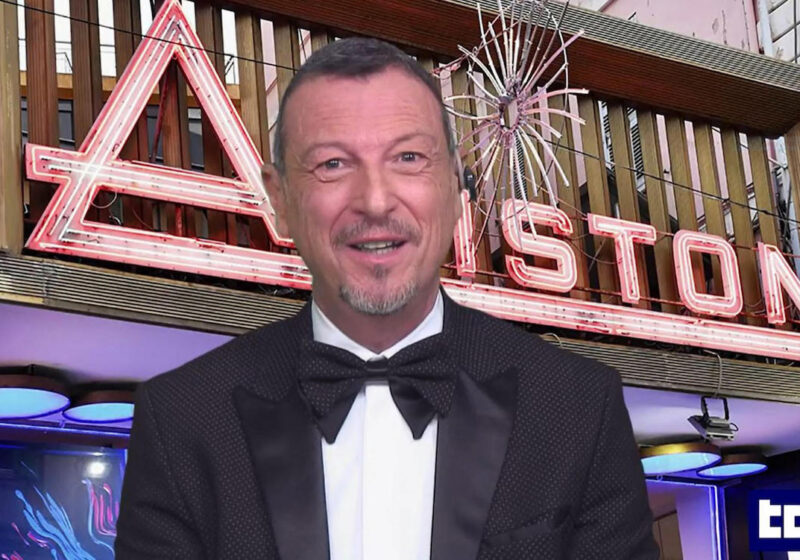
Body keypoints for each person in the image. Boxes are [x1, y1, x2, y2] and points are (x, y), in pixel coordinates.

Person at [115, 37, 658, 559]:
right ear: (279, 199)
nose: (375, 201)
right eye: (332, 164)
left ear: (455, 184)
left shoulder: (579, 406)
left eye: (408, 157)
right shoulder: (181, 419)